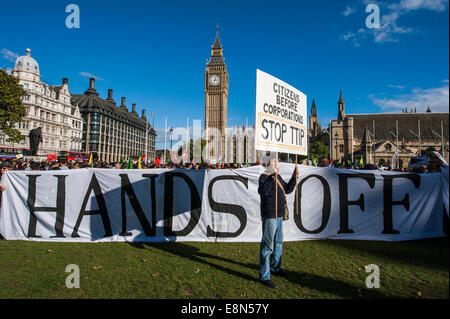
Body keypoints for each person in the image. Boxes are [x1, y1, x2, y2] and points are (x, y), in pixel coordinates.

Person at [257, 159, 298, 289]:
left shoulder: (278, 177)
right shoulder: (264, 177)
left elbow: (287, 189)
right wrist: (271, 177)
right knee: (267, 246)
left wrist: (294, 177)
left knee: (278, 242)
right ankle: (264, 276)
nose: (277, 164)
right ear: (268, 165)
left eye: (276, 162)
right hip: (270, 215)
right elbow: (263, 192)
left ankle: (275, 267)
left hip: (279, 215)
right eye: (274, 162)